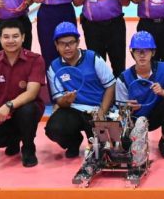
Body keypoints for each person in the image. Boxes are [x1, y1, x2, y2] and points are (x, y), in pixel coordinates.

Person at [0, 20, 45, 167]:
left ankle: (28, 147)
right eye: (6, 37)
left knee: (27, 110)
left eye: (15, 36)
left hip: (25, 111)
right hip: (1, 114)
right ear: (0, 39)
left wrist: (9, 105)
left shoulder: (35, 60)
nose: (11, 41)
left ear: (23, 37)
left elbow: (32, 93)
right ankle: (13, 140)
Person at [44, 21, 116, 159]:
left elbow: (110, 85)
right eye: (62, 43)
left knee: (104, 153)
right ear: (56, 45)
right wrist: (66, 101)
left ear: (78, 42)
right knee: (54, 129)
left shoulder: (93, 58)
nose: (67, 47)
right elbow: (59, 100)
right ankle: (74, 142)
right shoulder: (54, 67)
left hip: (97, 109)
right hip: (73, 109)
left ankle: (96, 138)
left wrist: (102, 111)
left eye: (71, 42)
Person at [116, 30, 164, 159]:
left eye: (146, 51)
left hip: (155, 116)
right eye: (138, 51)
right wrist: (128, 108)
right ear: (132, 53)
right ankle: (136, 138)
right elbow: (120, 112)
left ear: (153, 52)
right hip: (135, 119)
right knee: (125, 147)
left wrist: (163, 92)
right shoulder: (123, 78)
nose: (142, 55)